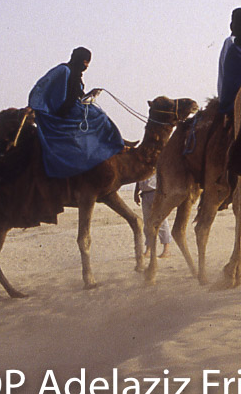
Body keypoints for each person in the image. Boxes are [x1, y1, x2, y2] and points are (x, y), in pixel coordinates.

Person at [27, 47, 124, 178]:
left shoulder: (75, 74)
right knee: (99, 117)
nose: (86, 66)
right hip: (62, 112)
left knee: (98, 114)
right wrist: (35, 106)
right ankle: (114, 145)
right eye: (85, 62)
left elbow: (76, 96)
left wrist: (90, 95)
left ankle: (111, 147)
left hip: (74, 108)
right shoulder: (63, 70)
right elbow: (43, 86)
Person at [134, 172, 170, 258]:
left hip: (156, 192)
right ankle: (149, 249)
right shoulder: (141, 164)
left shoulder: (157, 162)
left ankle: (166, 249)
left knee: (161, 221)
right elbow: (138, 179)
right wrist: (136, 193)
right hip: (145, 194)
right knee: (147, 223)